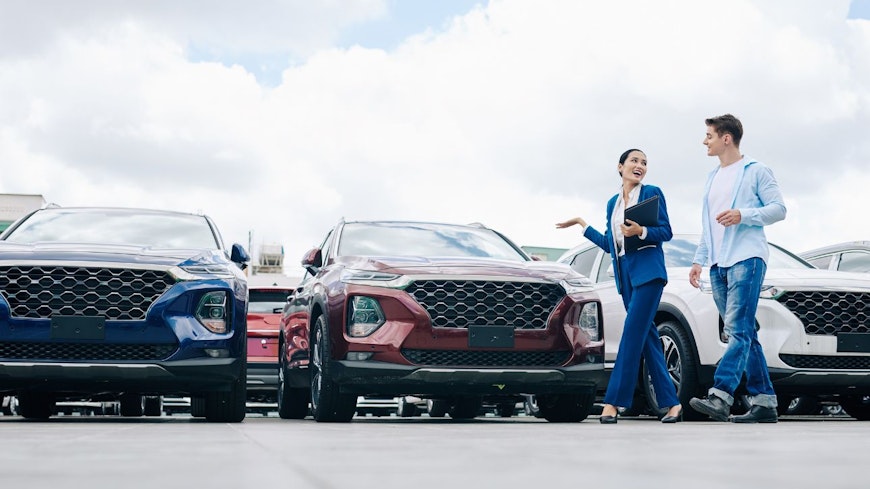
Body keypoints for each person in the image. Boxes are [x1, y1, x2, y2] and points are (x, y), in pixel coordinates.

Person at [557, 148, 682, 424]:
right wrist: (582, 224)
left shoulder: (652, 192)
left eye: (644, 162)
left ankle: (613, 402)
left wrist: (641, 231)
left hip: (648, 272)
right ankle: (672, 404)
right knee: (648, 340)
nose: (640, 166)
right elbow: (612, 246)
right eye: (635, 161)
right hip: (626, 277)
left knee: (632, 334)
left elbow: (667, 231)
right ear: (620, 167)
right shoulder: (612, 203)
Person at [688, 114, 786, 423]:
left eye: (709, 135)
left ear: (726, 138)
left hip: (747, 258)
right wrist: (699, 260)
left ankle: (720, 395)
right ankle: (765, 402)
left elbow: (778, 209)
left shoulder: (755, 171)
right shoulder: (711, 177)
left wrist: (743, 214)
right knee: (743, 332)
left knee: (738, 330)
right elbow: (708, 226)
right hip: (719, 264)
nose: (705, 141)